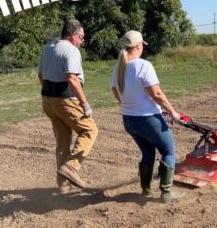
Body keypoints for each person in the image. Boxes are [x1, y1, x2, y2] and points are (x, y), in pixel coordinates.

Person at [111, 30, 185, 203]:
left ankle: (146, 191)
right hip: (148, 119)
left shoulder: (118, 68)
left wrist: (134, 105)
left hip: (129, 120)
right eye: (142, 45)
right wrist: (173, 112)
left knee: (147, 152)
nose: (143, 48)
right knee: (168, 151)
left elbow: (117, 94)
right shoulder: (143, 65)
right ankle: (166, 193)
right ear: (138, 46)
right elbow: (157, 93)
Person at [38, 19, 98, 194]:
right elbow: (71, 78)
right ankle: (71, 167)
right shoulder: (71, 50)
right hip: (65, 100)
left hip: (48, 100)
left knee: (63, 140)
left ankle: (63, 185)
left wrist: (51, 96)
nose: (82, 41)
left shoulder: (49, 47)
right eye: (81, 37)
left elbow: (41, 75)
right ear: (73, 35)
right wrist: (84, 104)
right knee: (90, 130)